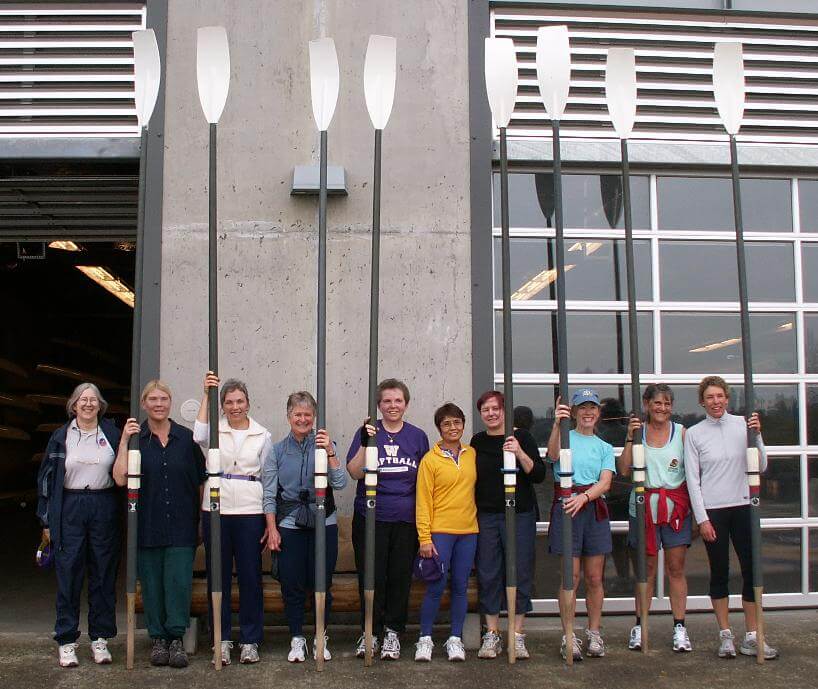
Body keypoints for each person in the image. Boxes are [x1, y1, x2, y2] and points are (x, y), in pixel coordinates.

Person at [684, 376, 778, 660]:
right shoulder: (695, 434)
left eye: (720, 396)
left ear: (727, 398)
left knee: (752, 571)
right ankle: (725, 634)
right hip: (714, 511)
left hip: (743, 507)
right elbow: (692, 479)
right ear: (702, 401)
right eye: (710, 397)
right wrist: (702, 519)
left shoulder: (743, 426)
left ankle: (752, 635)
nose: (716, 402)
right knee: (720, 572)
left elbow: (760, 465)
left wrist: (758, 435)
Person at [113, 380, 205, 668]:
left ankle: (176, 638)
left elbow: (201, 483)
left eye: (163, 398)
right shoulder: (136, 439)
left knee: (178, 584)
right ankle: (158, 640)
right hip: (147, 525)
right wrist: (124, 442)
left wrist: (201, 519)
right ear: (144, 404)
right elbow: (118, 478)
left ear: (170, 402)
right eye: (152, 399)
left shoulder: (186, 439)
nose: (158, 404)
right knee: (151, 585)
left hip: (181, 525)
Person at [35, 383, 121, 668]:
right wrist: (46, 519)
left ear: (100, 405)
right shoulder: (61, 436)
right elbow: (46, 480)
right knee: (69, 572)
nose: (88, 404)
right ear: (73, 405)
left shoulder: (111, 433)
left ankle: (100, 639)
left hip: (103, 503)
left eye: (93, 400)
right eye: (83, 400)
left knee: (103, 572)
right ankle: (67, 640)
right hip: (69, 505)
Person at [346, 379, 429, 660]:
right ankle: (370, 631)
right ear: (379, 405)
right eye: (387, 401)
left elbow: (425, 481)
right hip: (371, 518)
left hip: (405, 520)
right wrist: (366, 440)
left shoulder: (417, 437)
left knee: (399, 577)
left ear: (406, 403)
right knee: (371, 576)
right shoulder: (368, 432)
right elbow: (355, 472)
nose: (392, 406)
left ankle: (392, 632)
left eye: (398, 401)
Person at [261, 391, 347, 663]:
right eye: (297, 414)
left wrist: (330, 452)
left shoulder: (325, 445)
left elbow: (341, 482)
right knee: (292, 583)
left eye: (307, 414)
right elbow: (269, 493)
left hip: (324, 521)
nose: (302, 419)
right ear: (288, 417)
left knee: (322, 581)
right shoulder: (276, 451)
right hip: (289, 522)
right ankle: (297, 637)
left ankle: (321, 635)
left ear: (314, 418)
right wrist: (272, 529)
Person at [194, 372, 273, 665]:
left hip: (250, 509)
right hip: (217, 507)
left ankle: (250, 640)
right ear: (222, 405)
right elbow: (198, 435)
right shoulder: (215, 429)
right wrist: (206, 394)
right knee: (219, 575)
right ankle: (222, 638)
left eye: (240, 401)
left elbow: (268, 476)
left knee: (251, 577)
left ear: (248, 403)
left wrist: (268, 517)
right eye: (229, 402)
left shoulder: (262, 434)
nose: (235, 406)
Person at [471, 390, 546, 660]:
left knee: (519, 570)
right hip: (487, 516)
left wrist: (519, 452)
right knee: (489, 572)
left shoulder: (521, 437)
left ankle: (517, 634)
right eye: (486, 410)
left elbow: (539, 474)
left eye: (496, 408)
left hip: (520, 515)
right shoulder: (477, 441)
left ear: (505, 410)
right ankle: (492, 634)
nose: (491, 414)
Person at [618, 384, 692, 653]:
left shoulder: (681, 433)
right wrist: (629, 437)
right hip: (643, 508)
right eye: (657, 403)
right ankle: (640, 624)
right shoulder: (638, 433)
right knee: (645, 570)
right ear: (647, 404)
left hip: (674, 509)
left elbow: (693, 472)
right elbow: (624, 469)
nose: (662, 408)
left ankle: (680, 627)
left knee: (676, 568)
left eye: (667, 403)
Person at [547, 388, 615, 661]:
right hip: (567, 509)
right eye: (582, 407)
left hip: (591, 509)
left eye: (593, 408)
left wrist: (585, 498)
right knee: (570, 577)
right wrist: (556, 423)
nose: (588, 412)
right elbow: (552, 456)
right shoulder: (565, 437)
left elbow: (606, 481)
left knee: (595, 577)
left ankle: (594, 632)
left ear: (598, 413)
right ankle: (569, 635)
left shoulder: (604, 447)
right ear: (574, 412)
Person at [414, 402, 478, 663]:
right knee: (435, 587)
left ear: (463, 424)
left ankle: (455, 639)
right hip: (440, 532)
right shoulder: (430, 460)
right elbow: (423, 501)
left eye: (457, 422)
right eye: (446, 423)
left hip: (468, 531)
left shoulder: (472, 454)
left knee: (461, 586)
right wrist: (425, 538)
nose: (453, 427)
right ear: (439, 428)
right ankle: (425, 639)